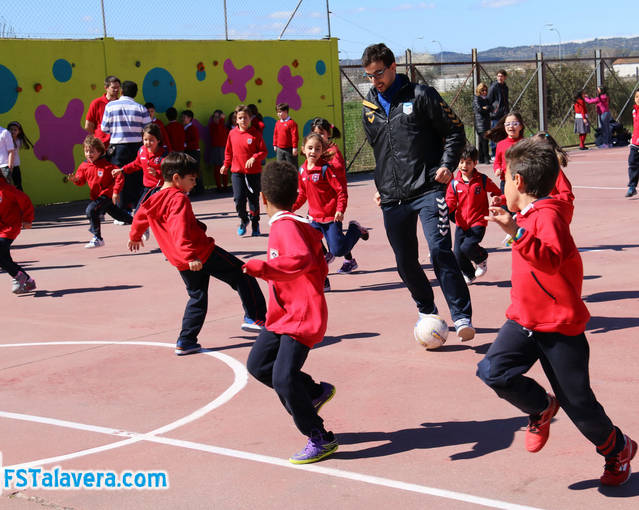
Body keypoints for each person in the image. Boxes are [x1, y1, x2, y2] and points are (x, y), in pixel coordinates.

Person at [477, 137, 636, 487]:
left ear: (518, 181)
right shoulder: (530, 213)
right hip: (523, 319)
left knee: (579, 405)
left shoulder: (549, 216)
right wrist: (511, 218)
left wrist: (515, 230)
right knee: (492, 371)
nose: (502, 186)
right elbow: (524, 224)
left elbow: (550, 258)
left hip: (559, 326)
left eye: (504, 179)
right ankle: (540, 407)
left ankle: (617, 448)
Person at [360, 42, 474, 341]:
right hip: (391, 197)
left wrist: (448, 164)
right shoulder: (369, 107)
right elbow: (381, 152)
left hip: (427, 188)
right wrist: (380, 186)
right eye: (369, 76)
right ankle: (426, 309)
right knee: (405, 261)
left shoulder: (421, 95)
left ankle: (461, 315)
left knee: (439, 250)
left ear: (393, 67)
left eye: (379, 73)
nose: (375, 81)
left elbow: (455, 131)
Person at [243, 160, 338, 465]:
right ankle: (312, 392)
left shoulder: (286, 226)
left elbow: (298, 260)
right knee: (259, 366)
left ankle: (320, 437)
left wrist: (262, 268)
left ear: (262, 199)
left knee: (284, 379)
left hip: (301, 316)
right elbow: (317, 260)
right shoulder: (292, 224)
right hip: (282, 316)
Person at [127, 152, 267, 355]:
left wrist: (135, 235)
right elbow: (179, 228)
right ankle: (255, 317)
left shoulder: (153, 197)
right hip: (200, 253)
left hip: (180, 259)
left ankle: (186, 341)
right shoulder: (178, 199)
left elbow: (141, 215)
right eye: (191, 179)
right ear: (176, 178)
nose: (194, 184)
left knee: (197, 297)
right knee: (242, 273)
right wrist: (191, 255)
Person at [292, 133, 369, 290]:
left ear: (322, 151)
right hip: (314, 219)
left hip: (330, 218)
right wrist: (290, 207)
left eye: (317, 149)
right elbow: (302, 194)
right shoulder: (301, 170)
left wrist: (340, 210)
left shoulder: (325, 169)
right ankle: (324, 281)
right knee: (314, 252)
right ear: (303, 150)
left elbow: (341, 192)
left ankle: (355, 229)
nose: (313, 151)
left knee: (338, 250)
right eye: (310, 148)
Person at [445, 144, 501, 284]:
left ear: (475, 163)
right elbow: (450, 202)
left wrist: (496, 198)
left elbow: (496, 191)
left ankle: (481, 258)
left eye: (468, 162)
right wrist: (443, 210)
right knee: (457, 254)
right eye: (461, 162)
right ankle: (469, 274)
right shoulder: (454, 184)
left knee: (467, 247)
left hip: (478, 221)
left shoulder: (481, 180)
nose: (464, 165)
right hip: (461, 223)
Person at [310, 117, 358, 274]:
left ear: (328, 134)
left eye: (321, 133)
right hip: (319, 201)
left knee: (335, 239)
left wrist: (323, 163)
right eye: (315, 133)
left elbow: (335, 170)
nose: (319, 136)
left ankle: (353, 233)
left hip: (333, 200)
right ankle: (344, 258)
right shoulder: (315, 151)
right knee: (313, 233)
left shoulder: (332, 152)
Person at [67, 135, 132, 248]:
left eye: (92, 151)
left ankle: (97, 237)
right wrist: (75, 180)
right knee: (119, 216)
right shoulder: (84, 166)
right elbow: (81, 181)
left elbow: (119, 177)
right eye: (86, 151)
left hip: (106, 195)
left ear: (100, 152)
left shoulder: (108, 166)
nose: (89, 154)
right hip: (96, 196)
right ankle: (140, 223)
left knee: (91, 210)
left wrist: (116, 192)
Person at [100, 80, 151, 215]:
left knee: (119, 177)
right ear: (135, 93)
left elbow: (104, 128)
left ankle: (122, 211)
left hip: (118, 146)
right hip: (137, 147)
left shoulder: (110, 106)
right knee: (137, 177)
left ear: (122, 91)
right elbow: (148, 129)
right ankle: (139, 208)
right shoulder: (141, 108)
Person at [221, 104, 267, 237]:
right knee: (239, 199)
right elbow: (228, 152)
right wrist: (226, 165)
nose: (243, 120)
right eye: (240, 118)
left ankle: (255, 224)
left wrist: (255, 157)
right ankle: (244, 219)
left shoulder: (255, 134)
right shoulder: (232, 133)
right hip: (237, 173)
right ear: (236, 120)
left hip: (253, 173)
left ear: (250, 118)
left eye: (245, 117)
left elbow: (263, 151)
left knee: (253, 200)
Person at [113, 123, 168, 217]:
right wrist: (122, 170)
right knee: (139, 213)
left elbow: (170, 173)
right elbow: (136, 164)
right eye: (145, 139)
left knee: (160, 215)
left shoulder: (164, 156)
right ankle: (144, 231)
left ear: (158, 140)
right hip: (147, 189)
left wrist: (157, 173)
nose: (148, 142)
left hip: (161, 189)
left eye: (151, 140)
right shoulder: (141, 151)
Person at [0, 173, 35, 294]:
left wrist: (27, 220)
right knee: (4, 258)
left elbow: (25, 200)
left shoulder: (7, 189)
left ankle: (18, 277)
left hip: (10, 228)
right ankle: (29, 281)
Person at [491, 111, 525, 193]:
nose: (511, 126)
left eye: (515, 124)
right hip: (506, 181)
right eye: (508, 124)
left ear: (520, 126)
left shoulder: (525, 143)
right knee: (505, 204)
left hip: (522, 181)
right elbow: (497, 162)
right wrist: (497, 169)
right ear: (504, 126)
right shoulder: (500, 144)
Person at [85, 75, 120, 149]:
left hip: (118, 144)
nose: (116, 90)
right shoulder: (96, 103)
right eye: (113, 88)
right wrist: (96, 141)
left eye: (118, 87)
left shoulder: (121, 103)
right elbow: (88, 126)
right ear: (106, 88)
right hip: (101, 145)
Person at [486, 69, 509, 158]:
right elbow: (489, 100)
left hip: (504, 114)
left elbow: (505, 101)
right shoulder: (494, 87)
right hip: (496, 114)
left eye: (502, 76)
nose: (500, 78)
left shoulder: (505, 87)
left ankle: (503, 152)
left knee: (504, 133)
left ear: (505, 77)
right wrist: (493, 110)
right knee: (495, 133)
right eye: (498, 76)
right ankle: (494, 153)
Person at [6, 122, 33, 192]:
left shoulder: (18, 141)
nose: (12, 131)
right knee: (6, 186)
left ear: (19, 131)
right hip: (5, 166)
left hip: (15, 166)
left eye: (15, 130)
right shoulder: (4, 140)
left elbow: (14, 146)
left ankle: (21, 201)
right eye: (11, 129)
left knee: (18, 185)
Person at [208, 109, 229, 193]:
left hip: (223, 148)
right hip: (216, 148)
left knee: (224, 168)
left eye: (218, 117)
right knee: (217, 168)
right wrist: (221, 120)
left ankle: (225, 186)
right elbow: (218, 131)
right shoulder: (213, 126)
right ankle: (219, 186)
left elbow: (222, 132)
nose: (216, 119)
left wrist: (222, 121)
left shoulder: (224, 126)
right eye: (215, 117)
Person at [273, 103, 299, 167]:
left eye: (280, 112)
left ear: (286, 111)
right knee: (280, 166)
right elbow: (275, 135)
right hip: (279, 149)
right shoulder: (278, 123)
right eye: (277, 112)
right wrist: (275, 145)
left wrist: (294, 147)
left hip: (289, 149)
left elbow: (295, 136)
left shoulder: (292, 123)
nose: (278, 114)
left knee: (291, 165)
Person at [625, 90, 639, 198]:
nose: (638, 98)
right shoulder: (634, 111)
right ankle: (632, 186)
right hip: (635, 143)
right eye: (636, 97)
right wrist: (632, 137)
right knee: (632, 163)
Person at [472, 83, 491, 164]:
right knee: (485, 141)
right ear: (479, 91)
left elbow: (490, 107)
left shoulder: (486, 99)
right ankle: (486, 158)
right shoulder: (477, 98)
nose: (484, 92)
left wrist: (486, 108)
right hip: (480, 123)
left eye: (486, 90)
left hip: (486, 122)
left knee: (481, 141)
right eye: (482, 90)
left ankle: (481, 158)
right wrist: (485, 108)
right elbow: (479, 110)